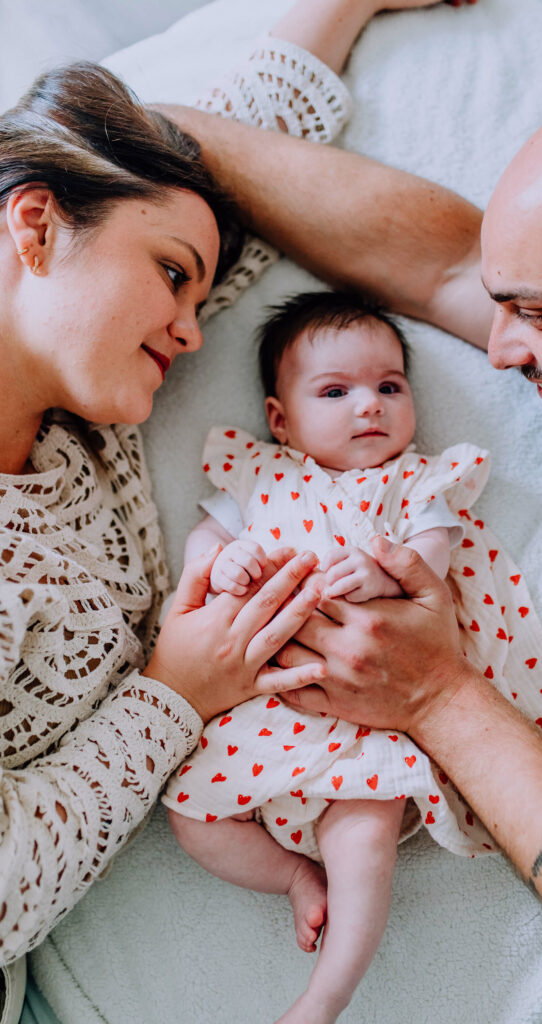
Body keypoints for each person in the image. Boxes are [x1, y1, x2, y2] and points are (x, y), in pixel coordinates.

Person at [162, 66, 542, 1014]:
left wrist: (439, 695)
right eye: (508, 304)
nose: (496, 349)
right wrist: (137, 119)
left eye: (541, 314)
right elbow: (438, 265)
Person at [0, 2, 472, 1021]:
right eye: (172, 277)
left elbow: (240, 150)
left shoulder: (88, 424)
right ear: (33, 224)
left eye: (196, 291)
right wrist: (174, 694)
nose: (192, 330)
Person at [163, 288, 542, 1024]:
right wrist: (222, 564)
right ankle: (295, 878)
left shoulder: (417, 480)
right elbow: (204, 547)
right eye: (336, 391)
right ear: (280, 418)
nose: (370, 406)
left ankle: (325, 994)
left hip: (371, 724)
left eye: (389, 387)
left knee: (362, 845)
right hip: (270, 708)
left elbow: (436, 551)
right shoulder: (258, 476)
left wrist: (389, 570)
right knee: (191, 814)